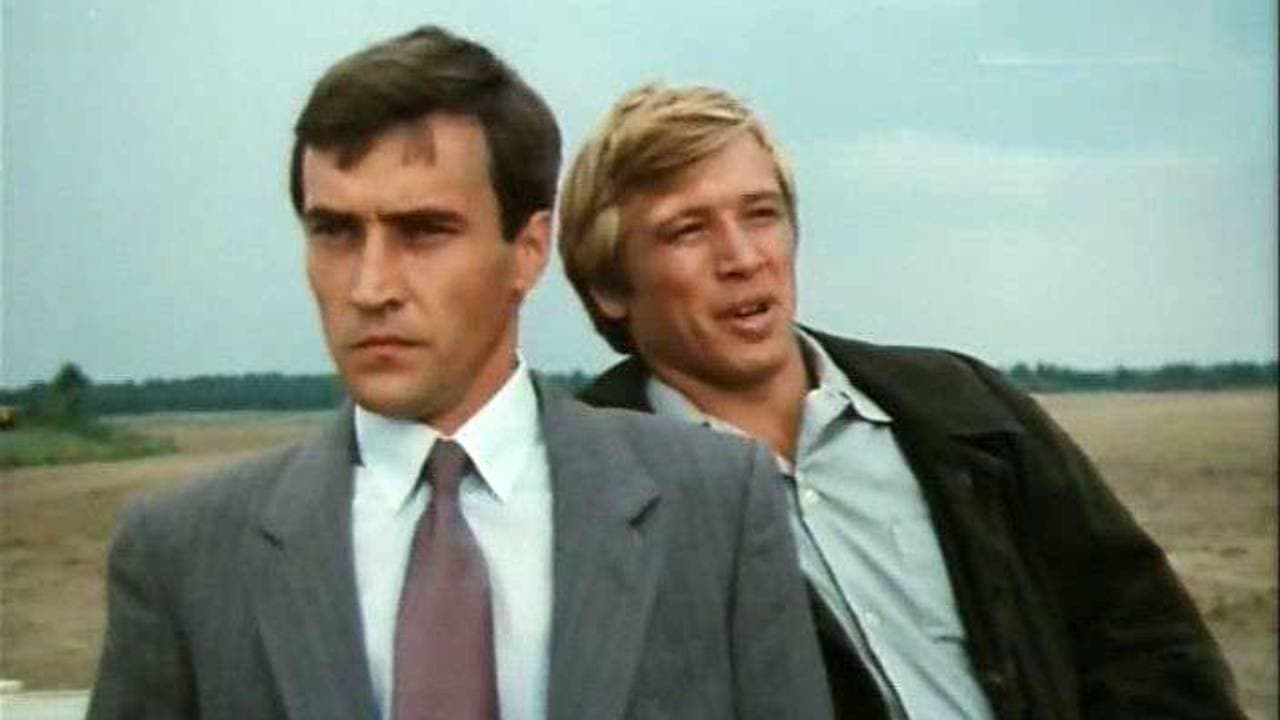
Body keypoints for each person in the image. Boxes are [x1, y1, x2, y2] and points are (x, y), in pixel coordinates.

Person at [87, 31, 833, 720]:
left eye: (423, 232)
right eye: (335, 232)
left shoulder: (715, 505)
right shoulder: (184, 553)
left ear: (528, 251)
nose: (371, 286)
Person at [559, 83, 1245, 720]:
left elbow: (1145, 637)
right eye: (688, 230)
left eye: (761, 214)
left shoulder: (968, 409)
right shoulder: (580, 503)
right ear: (610, 286)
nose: (742, 257)